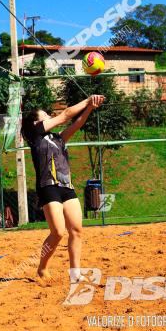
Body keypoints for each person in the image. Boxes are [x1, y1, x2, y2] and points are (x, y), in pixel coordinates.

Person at [21, 94, 105, 288]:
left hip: (66, 187)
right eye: (45, 115)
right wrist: (86, 100)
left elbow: (76, 124)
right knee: (58, 232)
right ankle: (42, 267)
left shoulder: (57, 138)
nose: (49, 116)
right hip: (48, 187)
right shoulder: (35, 134)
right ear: (36, 121)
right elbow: (66, 115)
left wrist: (90, 108)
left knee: (76, 230)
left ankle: (75, 274)